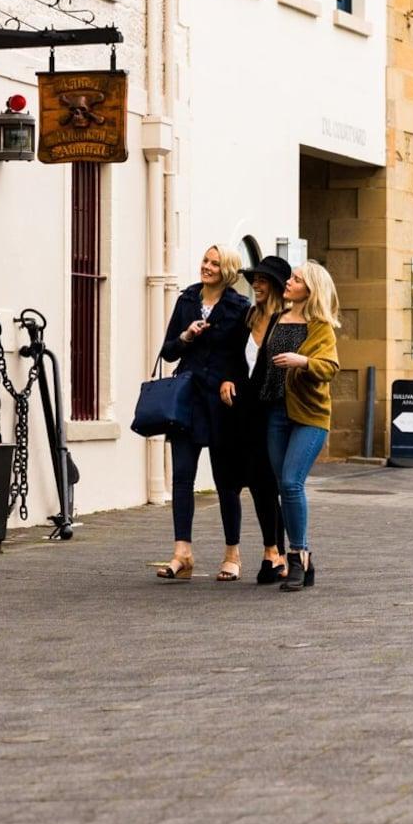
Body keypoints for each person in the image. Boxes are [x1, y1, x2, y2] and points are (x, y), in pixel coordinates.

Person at [154, 244, 252, 581]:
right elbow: (168, 352)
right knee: (182, 476)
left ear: (227, 270)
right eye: (204, 261)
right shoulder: (186, 300)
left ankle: (232, 554)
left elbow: (246, 358)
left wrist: (231, 379)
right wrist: (186, 336)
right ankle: (183, 552)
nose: (206, 267)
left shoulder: (240, 307)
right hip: (189, 398)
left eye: (214, 263)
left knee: (226, 481)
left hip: (223, 402)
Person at [256, 259, 339, 593]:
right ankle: (304, 559)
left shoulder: (320, 326)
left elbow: (329, 366)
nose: (288, 282)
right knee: (282, 486)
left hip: (309, 416)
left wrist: (301, 361)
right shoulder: (277, 319)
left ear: (310, 289)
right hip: (275, 412)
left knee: (292, 482)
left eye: (296, 279)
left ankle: (297, 556)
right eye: (291, 278)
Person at [222, 256, 289, 583]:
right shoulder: (248, 317)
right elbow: (233, 358)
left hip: (272, 412)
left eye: (263, 280)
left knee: (268, 483)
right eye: (255, 280)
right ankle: (272, 550)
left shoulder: (287, 321)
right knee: (255, 481)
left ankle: (276, 551)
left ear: (276, 285)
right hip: (243, 413)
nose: (257, 285)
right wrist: (227, 379)